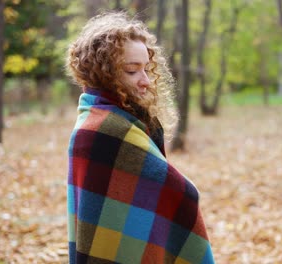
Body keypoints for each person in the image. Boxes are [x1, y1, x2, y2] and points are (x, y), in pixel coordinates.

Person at [66, 12, 214, 264]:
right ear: (103, 73)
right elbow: (179, 192)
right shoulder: (103, 128)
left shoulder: (115, 118)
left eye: (146, 69)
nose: (145, 80)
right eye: (132, 70)